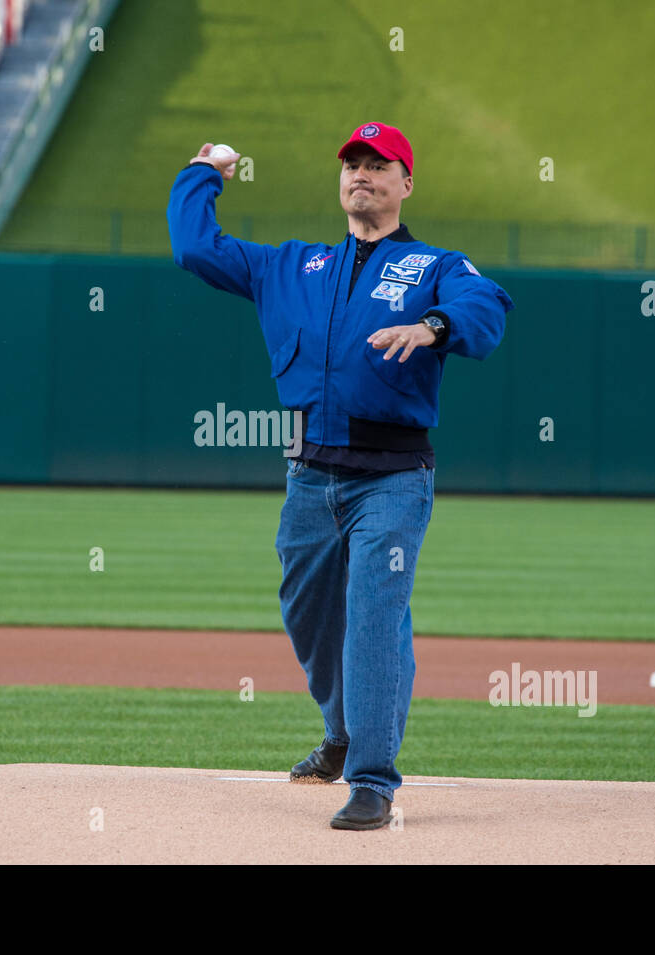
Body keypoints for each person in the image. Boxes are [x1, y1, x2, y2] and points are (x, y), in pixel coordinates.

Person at [167, 123, 514, 830]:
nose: (362, 173)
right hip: (308, 478)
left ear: (405, 183)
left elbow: (490, 307)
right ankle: (343, 730)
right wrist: (203, 173)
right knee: (310, 616)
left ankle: (373, 780)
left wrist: (437, 326)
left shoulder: (434, 264)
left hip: (391, 476)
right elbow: (194, 247)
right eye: (353, 164)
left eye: (379, 165)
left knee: (374, 617)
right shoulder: (290, 266)